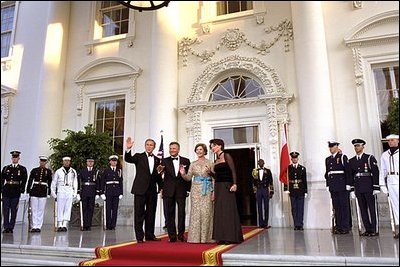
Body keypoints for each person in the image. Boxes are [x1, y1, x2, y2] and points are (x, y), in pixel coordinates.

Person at [124, 137, 163, 243]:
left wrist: (161, 187)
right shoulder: (138, 156)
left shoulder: (157, 159)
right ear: (145, 146)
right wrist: (128, 149)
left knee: (151, 213)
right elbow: (128, 159)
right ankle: (139, 237)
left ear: (154, 147)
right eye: (147, 144)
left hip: (152, 190)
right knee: (139, 214)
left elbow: (158, 176)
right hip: (140, 189)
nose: (149, 146)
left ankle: (150, 235)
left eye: (151, 145)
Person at [209, 139, 243, 244]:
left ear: (220, 146)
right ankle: (221, 237)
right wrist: (210, 173)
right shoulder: (216, 160)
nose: (212, 148)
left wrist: (235, 184)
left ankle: (230, 237)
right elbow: (217, 176)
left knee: (227, 211)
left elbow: (233, 170)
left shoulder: (227, 156)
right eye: (211, 146)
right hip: (218, 186)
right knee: (220, 211)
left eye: (213, 146)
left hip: (227, 186)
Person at [180, 143, 214, 243]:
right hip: (195, 190)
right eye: (197, 150)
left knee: (206, 212)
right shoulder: (193, 163)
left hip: (207, 189)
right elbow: (188, 178)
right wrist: (183, 174)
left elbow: (213, 178)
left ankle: (206, 238)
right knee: (196, 213)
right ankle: (195, 238)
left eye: (201, 149)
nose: (199, 151)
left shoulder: (210, 162)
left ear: (204, 151)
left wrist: (213, 192)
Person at [158, 142, 191, 242]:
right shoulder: (164, 160)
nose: (172, 150)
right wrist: (161, 188)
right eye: (171, 148)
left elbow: (189, 176)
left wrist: (188, 189)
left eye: (174, 148)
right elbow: (160, 176)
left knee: (181, 213)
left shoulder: (186, 160)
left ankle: (181, 234)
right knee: (169, 213)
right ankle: (171, 236)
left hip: (181, 190)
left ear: (178, 149)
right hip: (168, 190)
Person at [348, 139, 380, 236]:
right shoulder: (352, 160)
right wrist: (352, 189)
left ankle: (374, 229)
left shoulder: (369, 158)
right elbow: (351, 175)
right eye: (355, 146)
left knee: (372, 209)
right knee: (362, 209)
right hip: (358, 187)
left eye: (358, 145)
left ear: (363, 146)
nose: (356, 148)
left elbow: (375, 172)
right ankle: (368, 229)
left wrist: (376, 187)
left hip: (369, 186)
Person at [325, 141, 351, 235]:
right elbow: (327, 173)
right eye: (330, 147)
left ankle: (345, 226)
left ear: (336, 147)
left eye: (332, 147)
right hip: (333, 186)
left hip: (342, 186)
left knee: (344, 206)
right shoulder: (328, 159)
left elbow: (348, 171)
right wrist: (328, 184)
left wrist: (348, 184)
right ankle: (338, 226)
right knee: (336, 207)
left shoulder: (342, 157)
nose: (330, 149)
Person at [1, 151, 28, 233]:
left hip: (16, 191)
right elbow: (2, 179)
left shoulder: (22, 169)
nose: (14, 159)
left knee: (13, 209)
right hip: (6, 190)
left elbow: (24, 180)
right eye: (13, 157)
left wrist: (22, 190)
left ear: (18, 158)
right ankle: (6, 226)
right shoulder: (6, 168)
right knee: (5, 209)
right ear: (12, 158)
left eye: (16, 157)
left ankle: (11, 227)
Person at [50, 156, 78, 232]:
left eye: (68, 161)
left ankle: (65, 224)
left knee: (68, 208)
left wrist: (75, 192)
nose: (66, 162)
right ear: (63, 162)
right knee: (60, 207)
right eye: (65, 161)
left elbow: (75, 182)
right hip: (61, 189)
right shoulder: (58, 171)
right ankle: (60, 224)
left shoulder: (73, 171)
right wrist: (54, 194)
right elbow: (54, 183)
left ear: (70, 162)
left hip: (69, 189)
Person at [379, 134, 399, 239]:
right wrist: (382, 184)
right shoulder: (385, 155)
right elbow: (382, 171)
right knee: (395, 206)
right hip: (391, 181)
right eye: (389, 141)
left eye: (392, 140)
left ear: (397, 141)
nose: (390, 142)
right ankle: (398, 228)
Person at [26, 156, 52, 233]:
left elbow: (50, 182)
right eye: (41, 161)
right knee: (34, 209)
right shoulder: (34, 170)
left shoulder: (48, 171)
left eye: (44, 161)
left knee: (41, 209)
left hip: (43, 191)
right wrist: (28, 190)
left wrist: (49, 192)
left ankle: (38, 226)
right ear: (39, 162)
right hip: (34, 190)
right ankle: (34, 226)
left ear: (46, 162)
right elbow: (30, 180)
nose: (42, 163)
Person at [285, 152, 307, 230]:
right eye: (293, 158)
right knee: (294, 208)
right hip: (292, 190)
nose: (294, 159)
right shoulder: (288, 168)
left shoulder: (302, 168)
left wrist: (305, 191)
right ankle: (296, 224)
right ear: (291, 159)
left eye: (296, 158)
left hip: (300, 190)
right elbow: (285, 179)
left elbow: (304, 180)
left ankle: (300, 225)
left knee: (300, 208)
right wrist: (286, 189)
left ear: (297, 159)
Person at [100, 155, 123, 230]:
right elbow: (103, 182)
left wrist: (121, 193)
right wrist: (102, 192)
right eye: (112, 161)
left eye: (115, 161)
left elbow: (120, 182)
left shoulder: (119, 170)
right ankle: (108, 224)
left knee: (115, 209)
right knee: (108, 209)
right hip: (108, 192)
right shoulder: (106, 170)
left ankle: (113, 225)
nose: (114, 162)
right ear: (110, 162)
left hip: (116, 192)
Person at [77, 156, 100, 231]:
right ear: (86, 162)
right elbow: (79, 182)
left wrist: (97, 192)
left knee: (90, 208)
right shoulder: (82, 171)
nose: (90, 163)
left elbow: (98, 182)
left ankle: (89, 224)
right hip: (84, 191)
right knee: (84, 208)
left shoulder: (96, 171)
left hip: (92, 191)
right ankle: (84, 224)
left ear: (93, 163)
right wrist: (78, 192)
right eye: (89, 161)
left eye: (92, 161)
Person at [252, 159, 274, 229]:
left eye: (261, 162)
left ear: (264, 163)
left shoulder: (268, 171)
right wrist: (255, 192)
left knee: (266, 206)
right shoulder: (255, 171)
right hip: (258, 189)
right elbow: (254, 182)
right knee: (259, 207)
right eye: (259, 162)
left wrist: (271, 192)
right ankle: (261, 223)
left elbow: (271, 182)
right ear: (258, 164)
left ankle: (265, 223)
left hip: (265, 189)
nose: (260, 163)